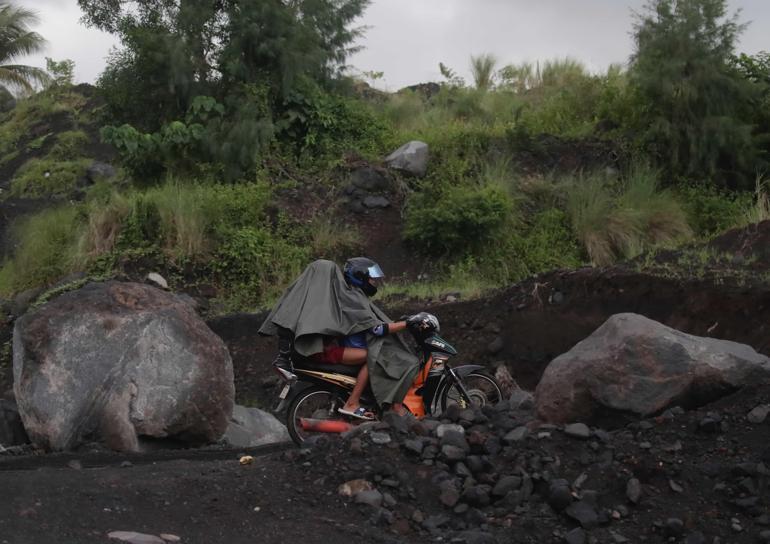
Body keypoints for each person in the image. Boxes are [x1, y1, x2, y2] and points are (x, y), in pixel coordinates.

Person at [271, 257, 413, 420]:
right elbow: (375, 328)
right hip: (321, 350)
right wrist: (407, 323)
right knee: (372, 357)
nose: (375, 282)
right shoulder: (336, 298)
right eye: (372, 278)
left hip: (319, 348)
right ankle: (353, 402)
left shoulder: (309, 297)